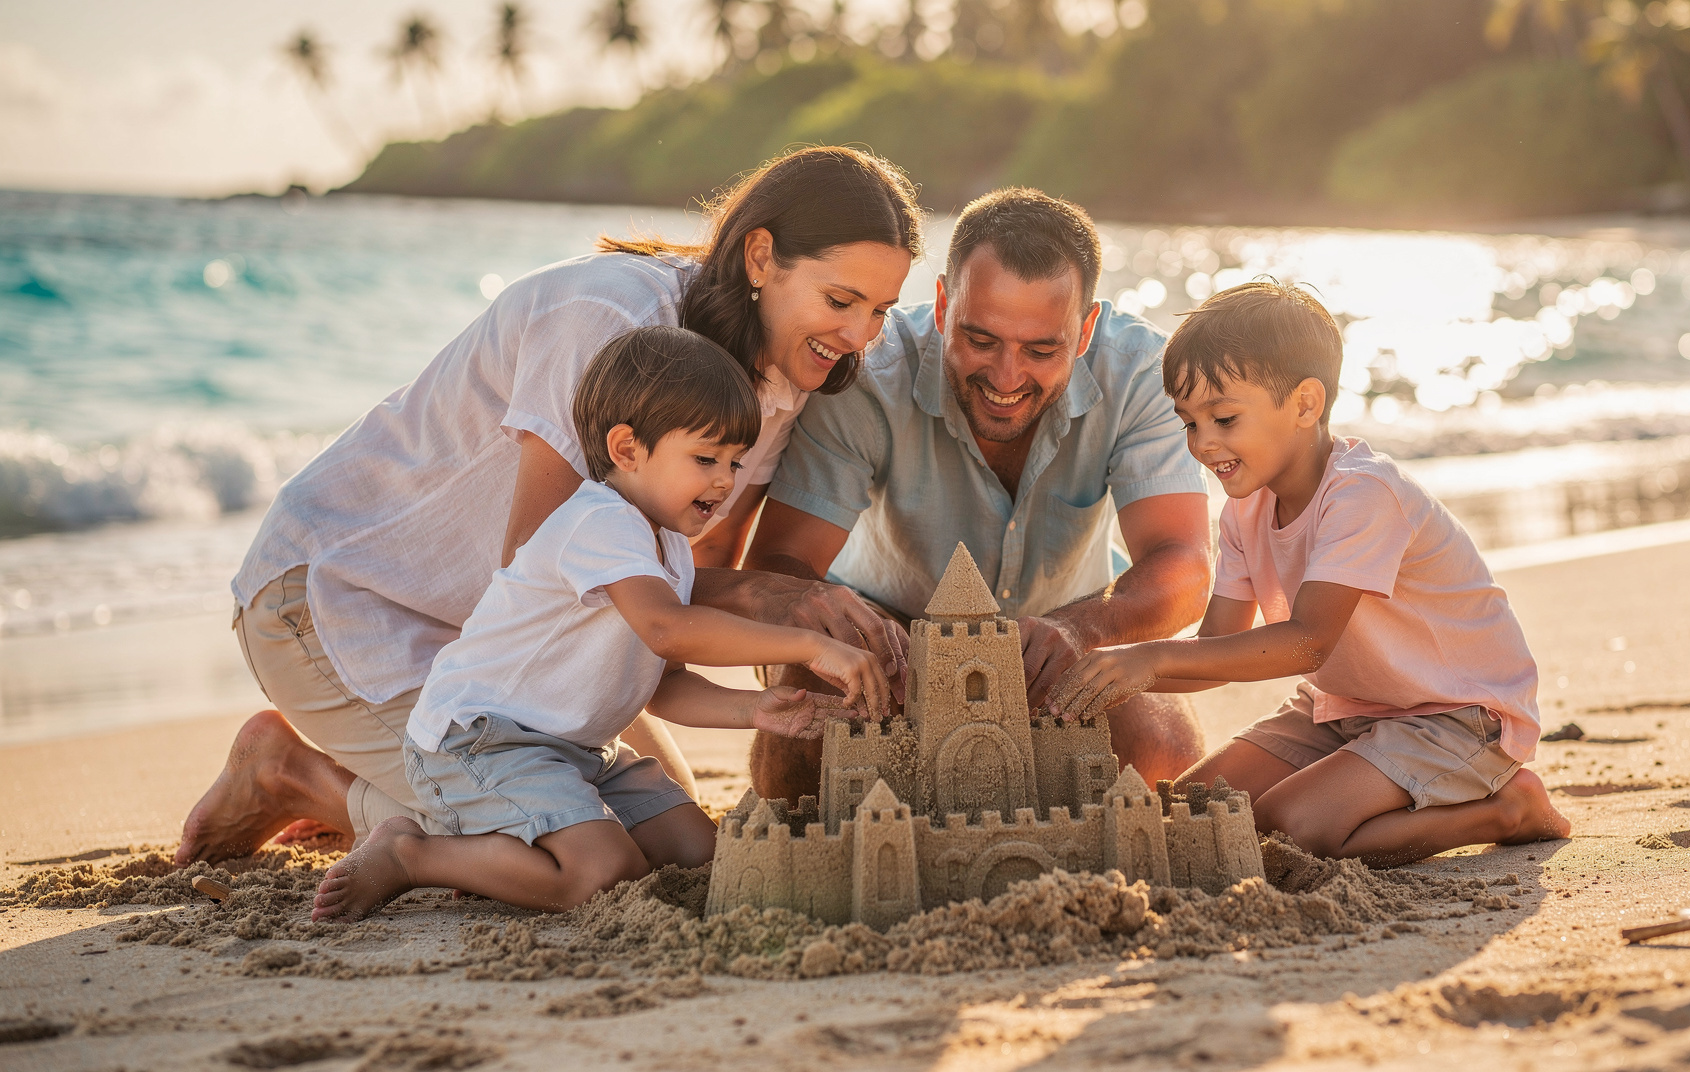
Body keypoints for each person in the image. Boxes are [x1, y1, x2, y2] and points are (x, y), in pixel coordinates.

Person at [178, 146, 922, 865]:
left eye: (881, 310)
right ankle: (289, 774)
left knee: (669, 831)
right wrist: (780, 600)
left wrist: (778, 648)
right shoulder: (612, 318)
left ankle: (374, 776)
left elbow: (681, 585)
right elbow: (539, 567)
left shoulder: (790, 373)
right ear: (761, 257)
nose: (858, 336)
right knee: (555, 840)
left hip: (515, 646)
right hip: (342, 599)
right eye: (840, 301)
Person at [311, 327, 888, 921]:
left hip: (575, 748)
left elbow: (663, 684)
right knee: (603, 872)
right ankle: (411, 855)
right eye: (705, 459)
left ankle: (510, 855)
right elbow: (667, 629)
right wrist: (809, 644)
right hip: (480, 739)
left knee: (699, 853)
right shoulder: (599, 522)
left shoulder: (668, 544)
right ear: (627, 449)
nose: (724, 481)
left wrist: (755, 708)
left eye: (735, 463)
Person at [1045, 281, 1571, 867]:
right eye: (1189, 423)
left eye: (1223, 418)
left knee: (1290, 830)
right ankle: (1372, 790)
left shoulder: (1363, 494)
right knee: (1195, 810)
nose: (1203, 444)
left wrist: (1154, 658)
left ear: (1304, 404)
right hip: (1347, 707)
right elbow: (1215, 649)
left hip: (1458, 716)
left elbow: (1308, 642)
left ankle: (1507, 809)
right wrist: (1105, 669)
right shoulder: (1245, 510)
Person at [728, 188, 1213, 803]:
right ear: (940, 306)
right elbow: (780, 565)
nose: (1006, 378)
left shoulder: (1139, 370)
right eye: (980, 340)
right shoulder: (869, 376)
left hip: (1073, 629)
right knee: (797, 769)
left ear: (1086, 329)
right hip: (889, 632)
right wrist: (841, 635)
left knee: (1160, 760)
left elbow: (1186, 566)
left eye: (1041, 350)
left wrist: (1077, 629)